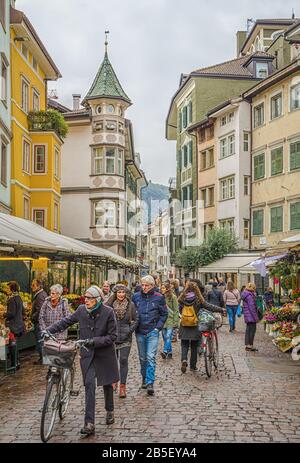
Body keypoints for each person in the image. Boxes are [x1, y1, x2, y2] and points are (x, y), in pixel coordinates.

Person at [41, 285, 119, 436]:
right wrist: (48, 330)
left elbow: (113, 336)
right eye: (85, 297)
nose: (86, 300)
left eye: (89, 298)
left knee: (107, 384)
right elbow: (66, 321)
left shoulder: (108, 312)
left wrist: (93, 341)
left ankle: (110, 410)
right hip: (88, 355)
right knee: (89, 385)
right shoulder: (81, 310)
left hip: (104, 353)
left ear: (97, 300)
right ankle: (89, 423)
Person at [178, 282, 225, 373]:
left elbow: (180, 310)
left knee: (184, 344)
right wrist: (221, 309)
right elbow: (209, 306)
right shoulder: (198, 299)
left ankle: (184, 360)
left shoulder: (181, 299)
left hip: (184, 324)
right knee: (194, 346)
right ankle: (193, 366)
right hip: (195, 325)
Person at [132, 275, 168, 395]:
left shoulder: (159, 298)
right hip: (140, 331)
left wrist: (158, 328)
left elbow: (164, 314)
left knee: (150, 356)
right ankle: (144, 378)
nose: (144, 287)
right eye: (142, 285)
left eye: (146, 285)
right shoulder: (136, 297)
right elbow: (131, 312)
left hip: (152, 331)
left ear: (152, 286)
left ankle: (150, 381)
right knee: (142, 358)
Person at [106, 284, 139, 398]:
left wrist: (129, 331)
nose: (121, 294)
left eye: (123, 292)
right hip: (113, 338)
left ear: (126, 293)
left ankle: (122, 387)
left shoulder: (131, 305)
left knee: (123, 360)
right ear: (115, 293)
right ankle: (114, 381)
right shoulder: (109, 306)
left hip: (126, 337)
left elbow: (135, 320)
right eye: (119, 292)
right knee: (113, 361)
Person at [160, 282, 179, 359]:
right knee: (165, 337)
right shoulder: (160, 297)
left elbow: (176, 310)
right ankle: (170, 352)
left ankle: (165, 351)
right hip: (163, 320)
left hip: (170, 320)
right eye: (161, 288)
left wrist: (175, 322)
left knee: (168, 336)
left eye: (163, 288)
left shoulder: (173, 297)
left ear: (167, 289)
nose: (162, 289)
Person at [31, 279, 48, 364]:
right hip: (40, 322)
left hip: (39, 322)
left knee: (40, 341)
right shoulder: (42, 294)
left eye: (33, 285)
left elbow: (40, 310)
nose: (32, 287)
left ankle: (42, 359)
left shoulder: (40, 295)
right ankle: (42, 358)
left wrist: (33, 318)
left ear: (39, 286)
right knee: (41, 340)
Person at [241, 283, 259, 352]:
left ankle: (248, 345)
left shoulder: (246, 294)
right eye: (254, 288)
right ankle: (250, 345)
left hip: (248, 316)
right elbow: (252, 308)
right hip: (251, 316)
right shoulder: (249, 296)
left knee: (248, 330)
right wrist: (256, 318)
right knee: (252, 331)